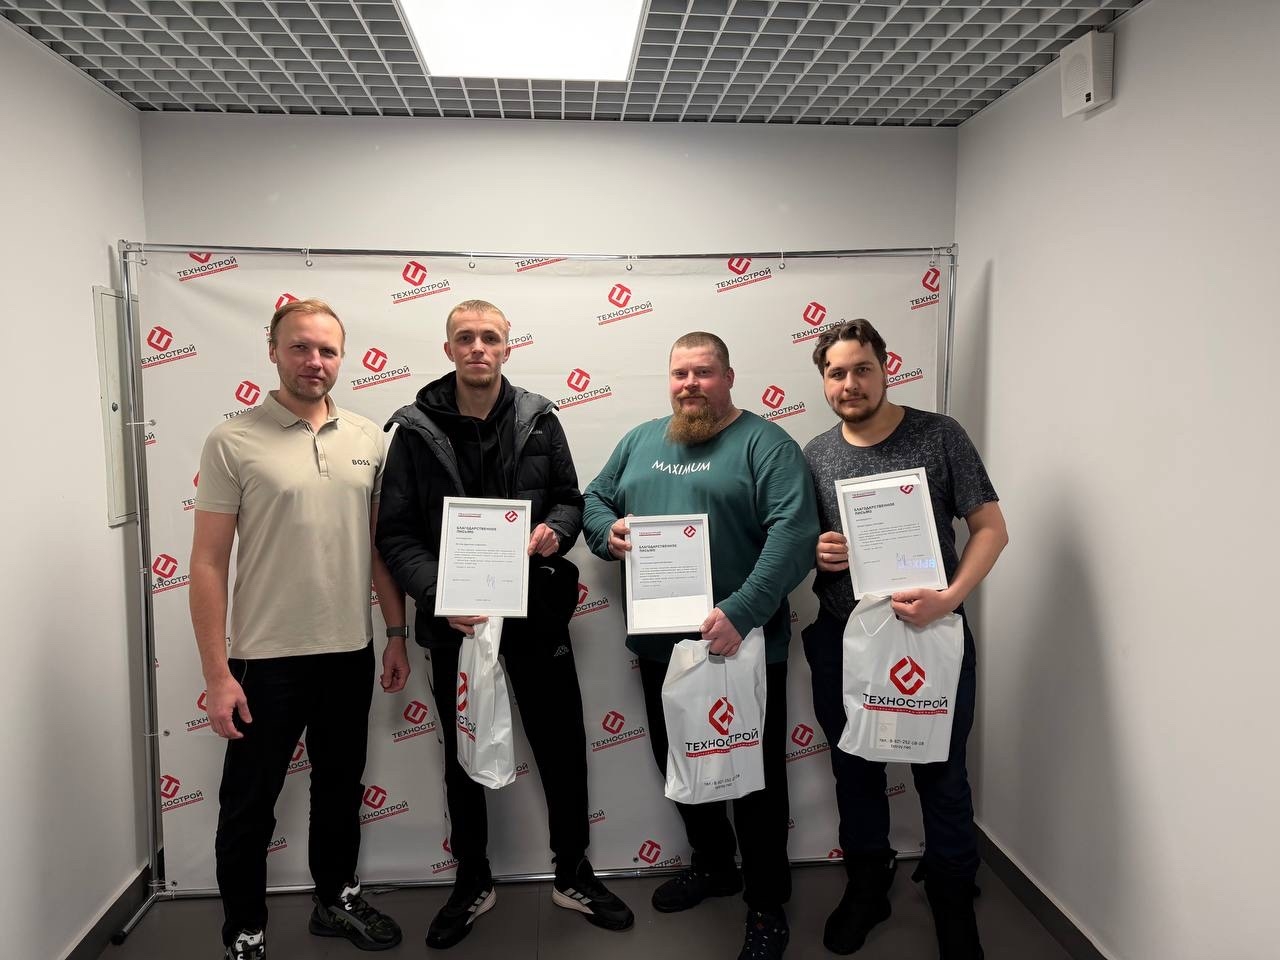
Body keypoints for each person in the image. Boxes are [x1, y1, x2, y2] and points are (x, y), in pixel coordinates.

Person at [375, 299, 633, 949]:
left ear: (507, 348)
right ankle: (472, 881)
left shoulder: (540, 419)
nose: (478, 348)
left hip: (535, 616)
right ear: (448, 350)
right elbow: (396, 534)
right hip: (455, 625)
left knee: (561, 746)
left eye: (490, 337)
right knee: (464, 753)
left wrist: (555, 532)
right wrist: (437, 594)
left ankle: (573, 873)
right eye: (465, 337)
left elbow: (570, 500)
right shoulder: (413, 431)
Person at [582, 331, 819, 960]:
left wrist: (742, 611)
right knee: (681, 766)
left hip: (741, 647)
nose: (690, 384)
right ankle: (714, 866)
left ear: (729, 377)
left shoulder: (766, 444)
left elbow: (794, 534)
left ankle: (766, 903)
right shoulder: (640, 441)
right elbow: (594, 499)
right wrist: (608, 531)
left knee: (755, 784)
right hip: (661, 650)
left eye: (704, 372)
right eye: (680, 373)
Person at [189, 298, 409, 960]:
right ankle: (246, 931)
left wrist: (395, 633)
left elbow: (376, 548)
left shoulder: (368, 438)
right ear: (273, 351)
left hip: (349, 651)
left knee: (339, 790)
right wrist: (217, 674)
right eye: (300, 347)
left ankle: (335, 899)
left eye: (327, 350)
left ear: (341, 358)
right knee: (249, 804)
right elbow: (207, 563)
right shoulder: (232, 440)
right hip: (265, 660)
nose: (315, 361)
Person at [801, 318, 1008, 960]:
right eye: (836, 373)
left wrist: (951, 596)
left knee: (942, 773)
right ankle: (869, 885)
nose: (850, 383)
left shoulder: (939, 435)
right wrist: (818, 551)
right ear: (824, 381)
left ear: (885, 368)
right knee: (855, 770)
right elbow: (801, 542)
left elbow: (991, 528)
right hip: (844, 639)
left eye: (862, 368)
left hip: (930, 632)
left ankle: (952, 894)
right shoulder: (814, 453)